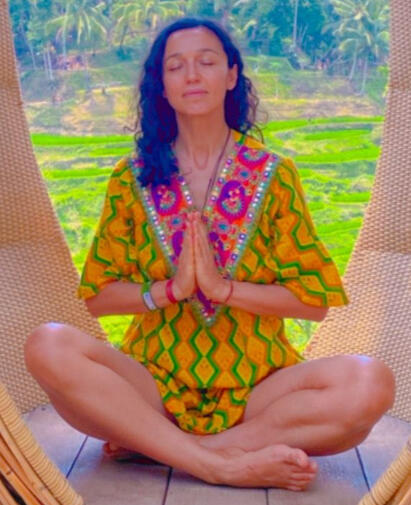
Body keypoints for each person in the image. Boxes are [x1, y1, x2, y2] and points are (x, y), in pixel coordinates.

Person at [24, 17, 395, 491]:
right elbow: (98, 298)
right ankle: (222, 465)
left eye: (206, 62)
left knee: (370, 382)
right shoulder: (131, 178)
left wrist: (223, 290)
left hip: (259, 391)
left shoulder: (274, 175)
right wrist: (170, 290)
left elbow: (314, 303)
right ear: (162, 85)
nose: (193, 75)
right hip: (152, 385)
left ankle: (165, 448)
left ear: (231, 75)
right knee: (47, 344)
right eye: (176, 66)